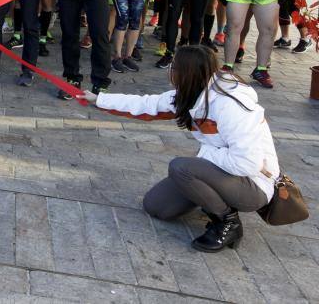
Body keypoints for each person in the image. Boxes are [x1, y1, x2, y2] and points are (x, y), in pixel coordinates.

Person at [83, 45, 280, 253]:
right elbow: (147, 104)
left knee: (181, 167)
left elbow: (248, 163)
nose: (170, 71)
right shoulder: (193, 91)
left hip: (253, 185)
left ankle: (227, 222)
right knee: (156, 206)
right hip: (223, 171)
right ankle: (209, 196)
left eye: (173, 66)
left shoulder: (230, 105)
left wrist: (204, 156)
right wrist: (98, 100)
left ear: (184, 72)